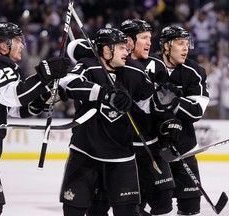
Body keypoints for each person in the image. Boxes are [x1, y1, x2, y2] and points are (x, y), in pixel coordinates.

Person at [58, 28, 156, 216]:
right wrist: (104, 93)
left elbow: (148, 106)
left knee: (129, 212)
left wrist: (159, 108)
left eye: (126, 48)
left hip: (122, 156)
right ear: (106, 50)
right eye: (121, 48)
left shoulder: (134, 71)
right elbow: (68, 83)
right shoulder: (88, 66)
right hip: (85, 153)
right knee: (73, 211)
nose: (126, 52)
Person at [0, 22, 68, 216]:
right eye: (18, 41)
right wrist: (43, 76)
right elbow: (16, 96)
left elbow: (15, 109)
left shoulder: (4, 67)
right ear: (3, 46)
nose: (23, 45)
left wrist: (44, 99)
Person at [120, 19, 176, 216]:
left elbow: (165, 101)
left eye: (149, 38)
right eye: (144, 38)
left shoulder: (157, 65)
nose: (149, 42)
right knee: (133, 204)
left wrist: (168, 126)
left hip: (151, 143)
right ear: (128, 41)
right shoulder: (116, 65)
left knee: (165, 199)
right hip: (126, 146)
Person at [159, 25, 209, 215]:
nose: (185, 48)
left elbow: (196, 112)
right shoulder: (149, 66)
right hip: (154, 151)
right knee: (156, 207)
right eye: (180, 43)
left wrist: (174, 101)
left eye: (187, 43)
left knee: (190, 207)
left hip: (184, 148)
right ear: (166, 46)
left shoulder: (194, 71)